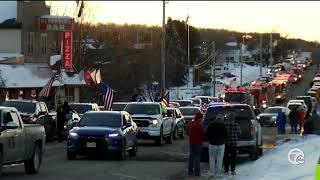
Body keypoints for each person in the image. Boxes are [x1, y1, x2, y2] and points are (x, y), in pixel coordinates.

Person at [187, 111, 204, 176]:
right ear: (199, 118)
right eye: (201, 118)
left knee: (191, 157)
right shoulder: (200, 125)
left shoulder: (191, 123)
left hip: (191, 143)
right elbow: (202, 135)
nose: (202, 119)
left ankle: (190, 171)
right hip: (198, 143)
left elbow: (187, 132)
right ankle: (197, 172)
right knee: (197, 158)